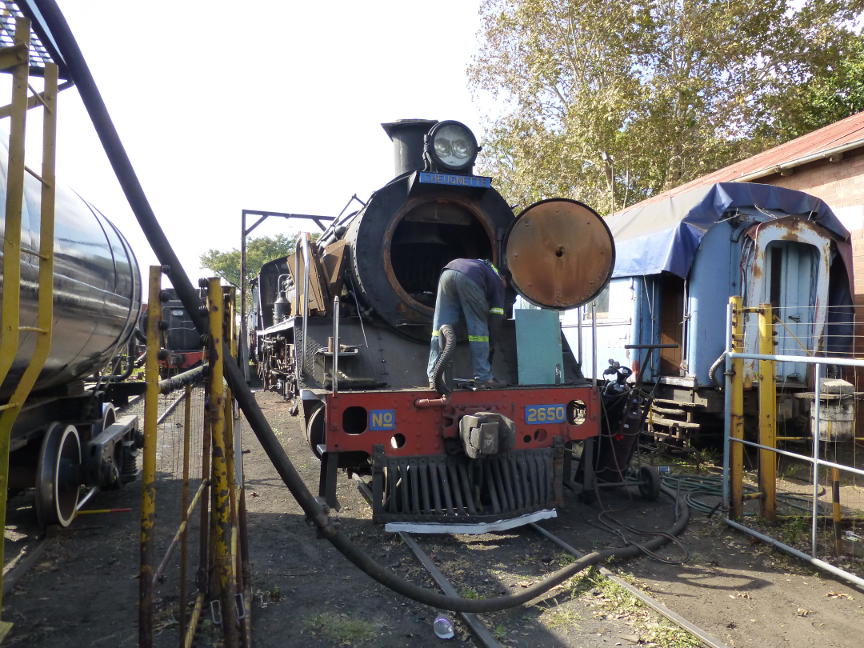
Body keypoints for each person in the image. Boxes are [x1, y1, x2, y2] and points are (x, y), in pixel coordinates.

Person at [426, 258, 507, 389]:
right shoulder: (497, 279)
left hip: (447, 272)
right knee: (478, 329)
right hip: (469, 276)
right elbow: (496, 316)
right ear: (504, 278)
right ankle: (483, 377)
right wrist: (492, 340)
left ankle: (433, 377)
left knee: (440, 327)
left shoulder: (483, 266)